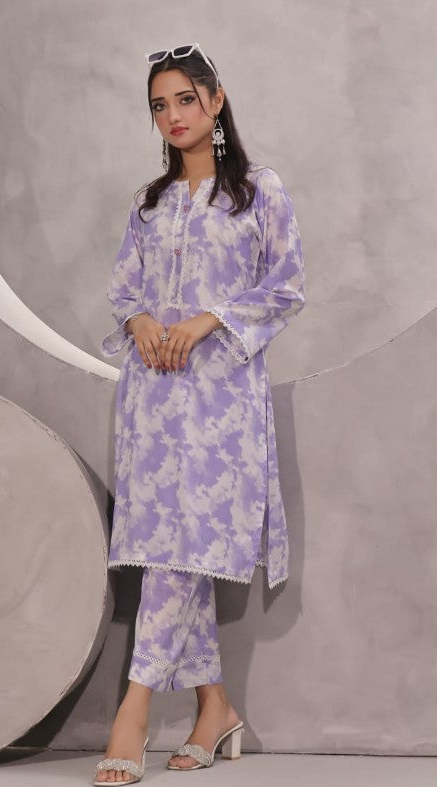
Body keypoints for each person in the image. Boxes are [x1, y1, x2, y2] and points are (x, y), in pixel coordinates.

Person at [94, 43, 306, 785]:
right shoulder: (149, 204)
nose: (173, 115)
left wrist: (209, 318)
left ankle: (133, 712)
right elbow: (124, 290)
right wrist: (142, 321)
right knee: (171, 549)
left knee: (184, 550)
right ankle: (215, 709)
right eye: (160, 105)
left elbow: (286, 285)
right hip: (152, 398)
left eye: (186, 99)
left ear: (215, 102)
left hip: (222, 398)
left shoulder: (258, 192)